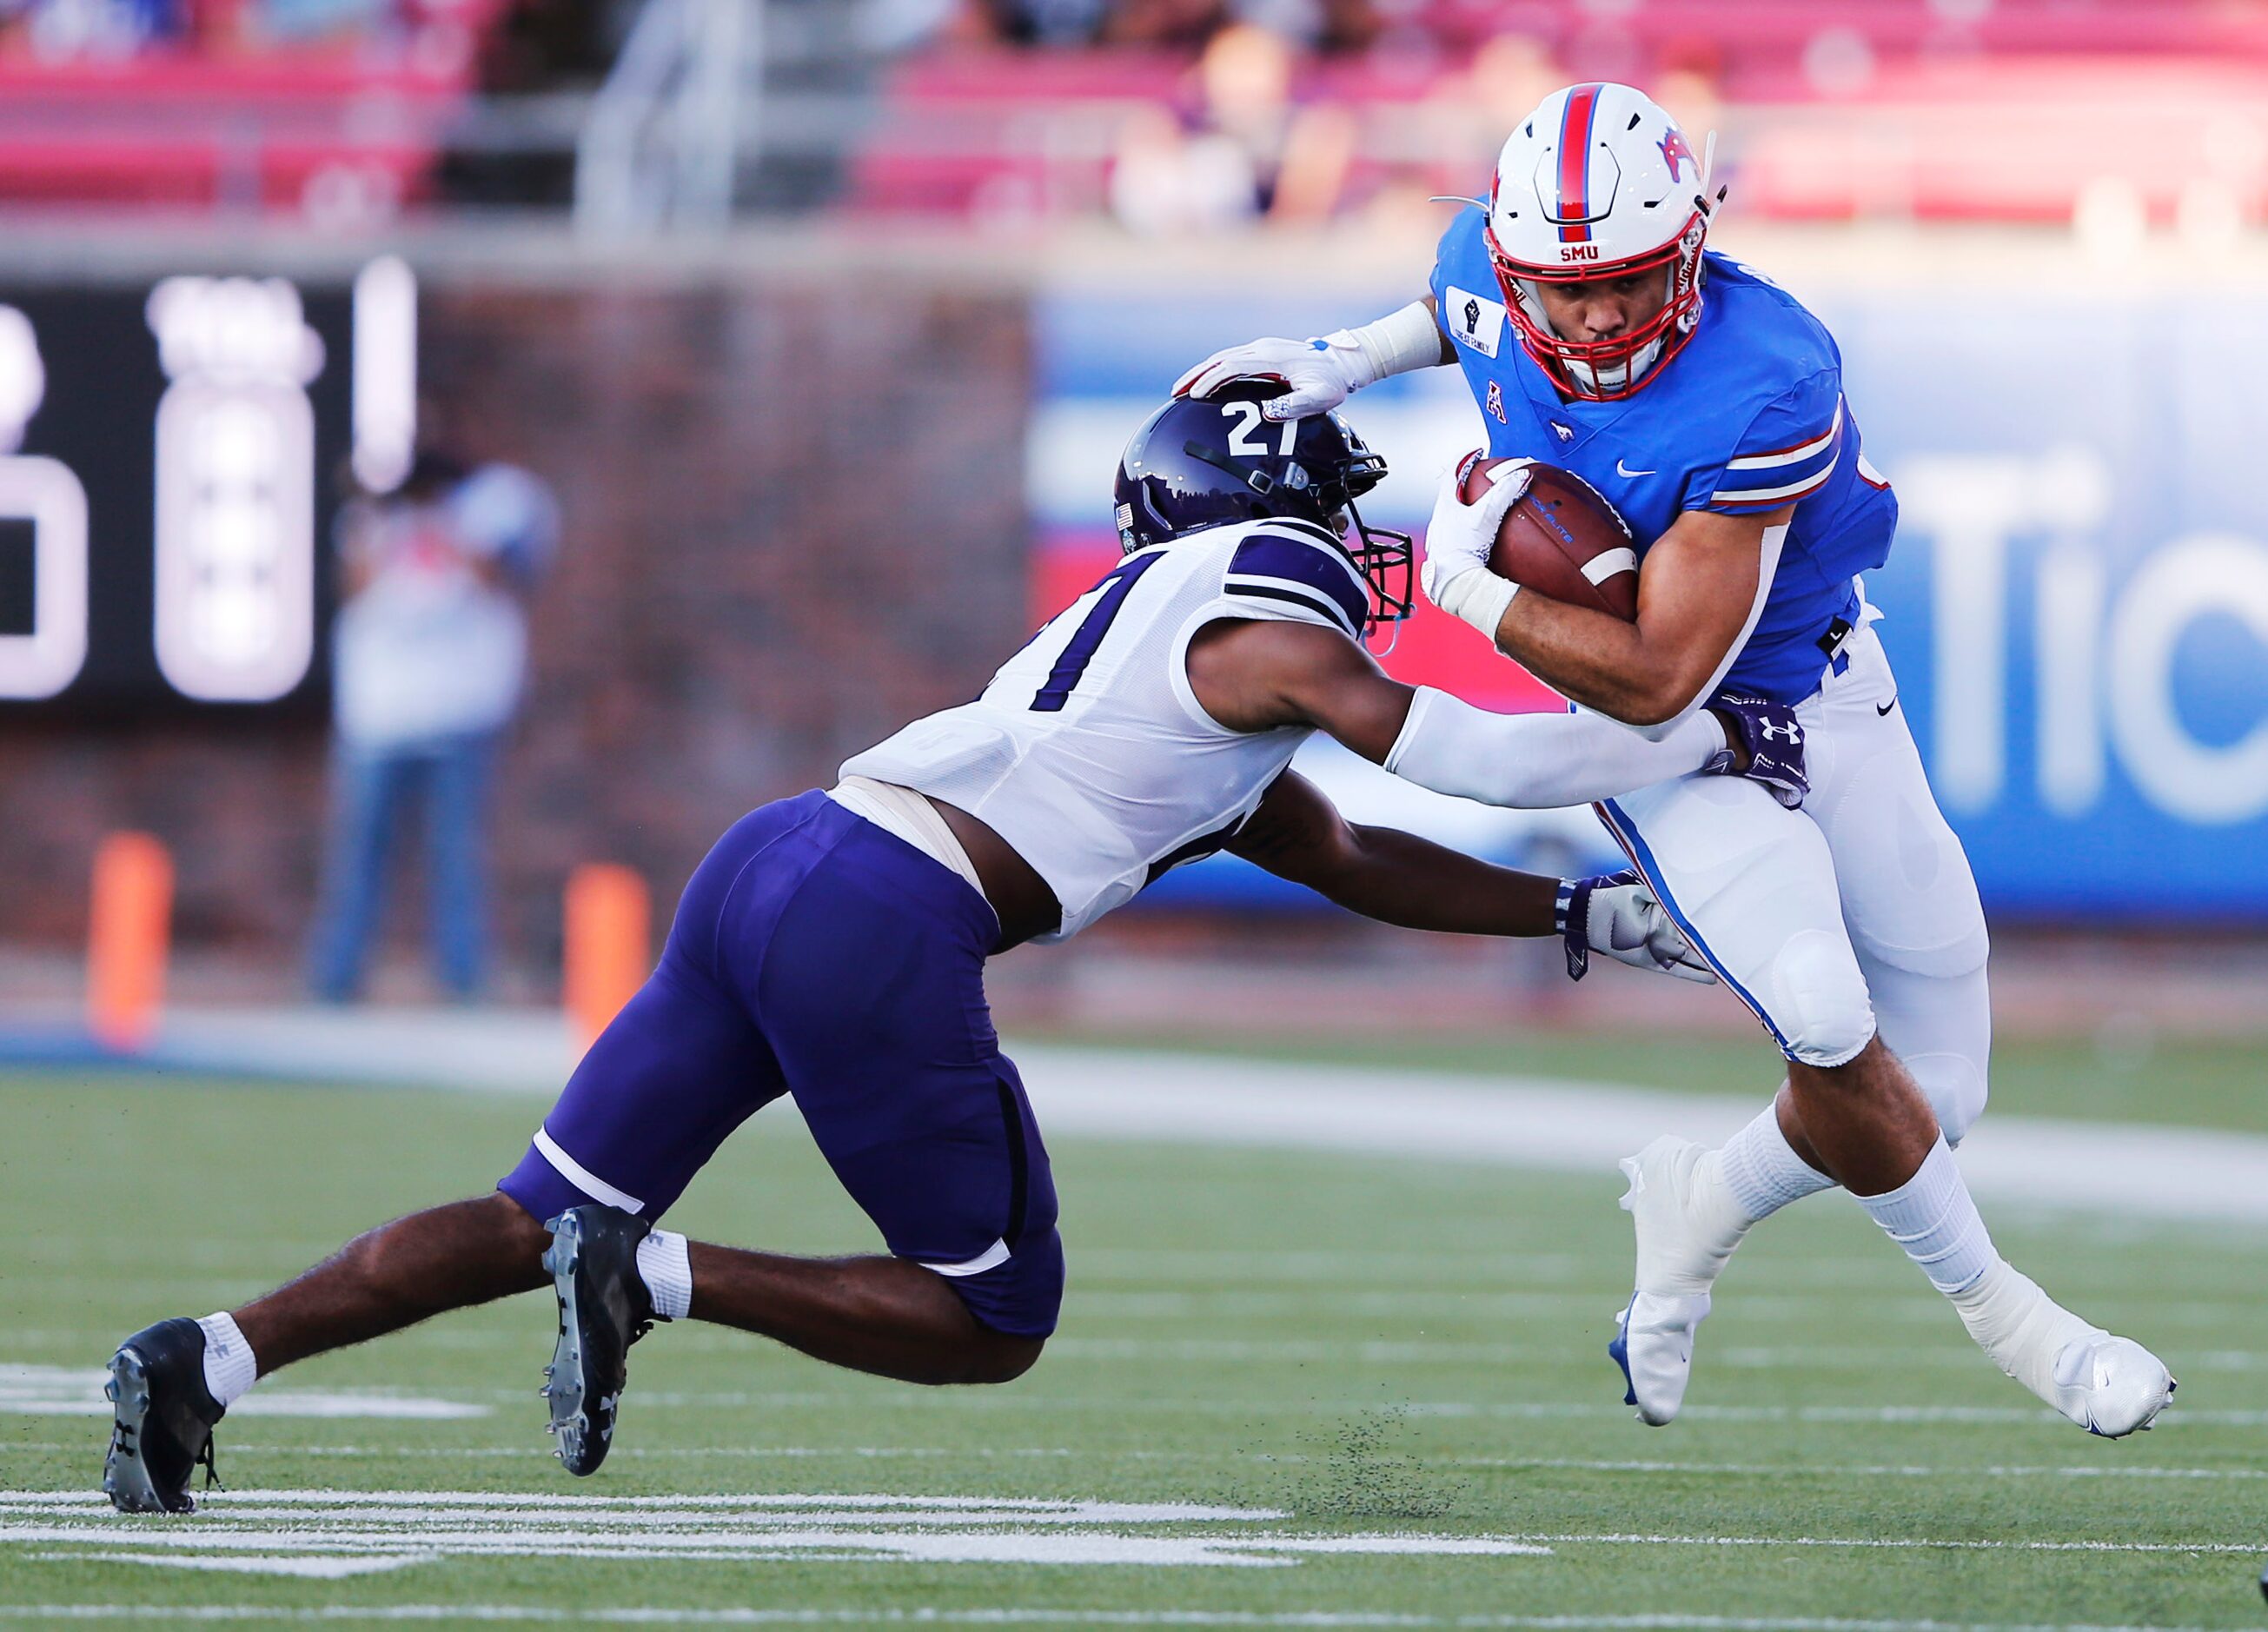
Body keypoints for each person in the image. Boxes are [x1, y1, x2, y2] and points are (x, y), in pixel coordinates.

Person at [102, 387, 1807, 1513]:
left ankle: (211, 1359)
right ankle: (658, 1278)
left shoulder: (1160, 646)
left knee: (526, 1212)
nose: (1361, 533)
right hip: (884, 915)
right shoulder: (1263, 587)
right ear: (1262, 505)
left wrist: (1589, 916)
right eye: (1334, 495)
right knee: (997, 1315)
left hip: (781, 857)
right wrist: (1673, 738)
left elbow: (1353, 857)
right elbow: (1431, 746)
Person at [1174, 82, 2173, 1436]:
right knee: (1823, 1013)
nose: (1590, 320)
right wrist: (1346, 357)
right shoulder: (1487, 262)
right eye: (1562, 289)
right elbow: (1465, 315)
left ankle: (1701, 1198)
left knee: (1937, 1092)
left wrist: (1464, 589)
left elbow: (1664, 665)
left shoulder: (1765, 373)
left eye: (1627, 284)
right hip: (1664, 751)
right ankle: (2023, 1327)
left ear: (1690, 247)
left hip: (1791, 688)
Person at [305, 448, 558, 1003]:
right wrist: (394, 518)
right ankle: (336, 979)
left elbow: (501, 577)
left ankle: (465, 981)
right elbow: (354, 585)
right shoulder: (373, 520)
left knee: (458, 856)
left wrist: (446, 522)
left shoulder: (493, 506)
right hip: (382, 716)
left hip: (459, 714)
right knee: (360, 856)